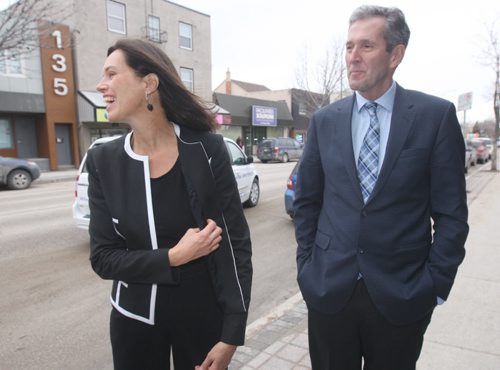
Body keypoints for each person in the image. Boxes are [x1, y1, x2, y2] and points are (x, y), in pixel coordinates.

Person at [294, 5, 468, 369]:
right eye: (348, 46)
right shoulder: (325, 121)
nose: (352, 58)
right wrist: (307, 270)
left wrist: (434, 285)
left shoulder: (434, 117)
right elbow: (307, 201)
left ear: (396, 54)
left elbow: (451, 214)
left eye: (366, 47)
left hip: (401, 296)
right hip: (329, 292)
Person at [87, 38, 252, 370]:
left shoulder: (206, 148)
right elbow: (103, 259)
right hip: (133, 322)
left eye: (111, 74)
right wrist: (173, 257)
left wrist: (232, 332)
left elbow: (235, 245)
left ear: (149, 83)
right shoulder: (102, 159)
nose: (100, 85)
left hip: (203, 320)